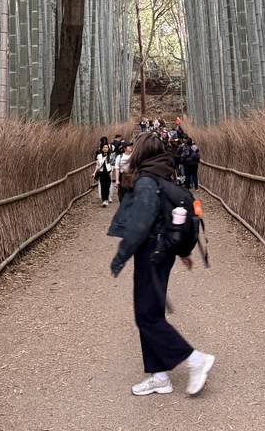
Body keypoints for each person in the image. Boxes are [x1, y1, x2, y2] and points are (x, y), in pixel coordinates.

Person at [107, 133, 215, 396]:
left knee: (147, 316)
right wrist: (181, 252)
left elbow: (141, 225)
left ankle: (194, 359)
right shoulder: (163, 175)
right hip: (161, 252)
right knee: (150, 312)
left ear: (141, 153)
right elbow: (168, 218)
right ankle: (159, 376)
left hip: (151, 254)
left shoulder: (146, 182)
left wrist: (120, 257)